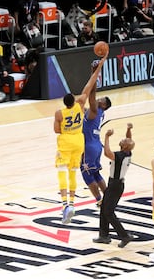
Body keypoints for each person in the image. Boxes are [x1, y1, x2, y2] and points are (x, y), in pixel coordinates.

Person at [54, 54, 107, 224]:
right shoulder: (81, 105)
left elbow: (56, 130)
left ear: (64, 102)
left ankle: (66, 205)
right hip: (80, 142)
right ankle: (72, 203)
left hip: (69, 142)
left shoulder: (60, 113)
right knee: (74, 173)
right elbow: (89, 85)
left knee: (63, 171)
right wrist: (97, 69)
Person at [92, 123, 135, 247]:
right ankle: (103, 235)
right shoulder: (128, 153)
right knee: (104, 208)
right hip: (115, 184)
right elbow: (129, 140)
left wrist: (106, 137)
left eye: (125, 140)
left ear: (125, 146)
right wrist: (128, 129)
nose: (124, 139)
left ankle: (124, 236)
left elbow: (107, 153)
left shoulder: (120, 156)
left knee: (108, 212)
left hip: (115, 185)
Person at [80, 71, 111, 206]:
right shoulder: (98, 113)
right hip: (96, 145)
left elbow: (91, 96)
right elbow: (84, 109)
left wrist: (94, 75)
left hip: (89, 146)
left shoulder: (95, 109)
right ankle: (109, 197)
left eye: (101, 100)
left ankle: (99, 199)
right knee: (96, 173)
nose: (99, 100)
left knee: (86, 173)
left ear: (104, 106)